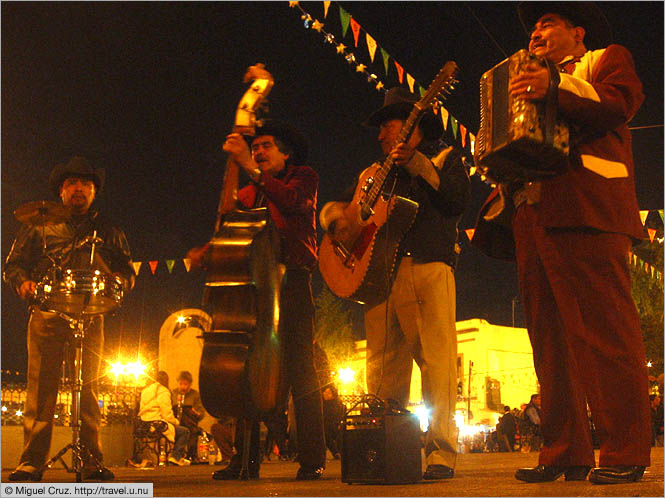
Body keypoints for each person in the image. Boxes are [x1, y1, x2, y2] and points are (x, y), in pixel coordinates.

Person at [472, 2, 651, 484]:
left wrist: (557, 85)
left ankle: (624, 449)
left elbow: (620, 103)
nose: (535, 32)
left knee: (606, 331)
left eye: (547, 24)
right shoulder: (521, 79)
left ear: (578, 33)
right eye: (533, 27)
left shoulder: (605, 59)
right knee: (549, 341)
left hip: (588, 207)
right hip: (531, 216)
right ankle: (564, 451)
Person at [320, 87, 471, 480]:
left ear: (410, 126)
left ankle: (440, 451)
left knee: (435, 362)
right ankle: (385, 449)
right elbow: (344, 214)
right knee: (383, 367)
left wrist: (419, 164)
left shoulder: (445, 157)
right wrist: (334, 221)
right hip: (378, 278)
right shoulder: (372, 174)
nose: (380, 135)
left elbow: (456, 200)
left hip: (426, 267)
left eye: (386, 125)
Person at [191, 119, 326, 481]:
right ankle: (244, 459)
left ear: (286, 152)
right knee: (249, 367)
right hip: (256, 287)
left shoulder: (303, 177)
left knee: (301, 368)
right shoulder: (253, 191)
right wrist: (207, 252)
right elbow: (232, 223)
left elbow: (294, 202)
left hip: (292, 280)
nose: (259, 152)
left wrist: (247, 167)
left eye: (266, 146)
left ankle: (312, 458)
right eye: (255, 147)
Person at [3, 156, 134, 482]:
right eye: (72, 184)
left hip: (91, 314)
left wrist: (118, 282)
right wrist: (23, 283)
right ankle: (31, 463)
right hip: (47, 313)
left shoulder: (109, 231)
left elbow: (127, 272)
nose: (79, 189)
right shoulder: (39, 226)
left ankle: (91, 461)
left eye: (86, 185)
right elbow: (13, 266)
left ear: (94, 192)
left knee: (90, 390)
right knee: (41, 390)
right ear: (60, 192)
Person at [138, 371, 191, 466]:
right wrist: (176, 422)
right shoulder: (163, 391)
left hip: (145, 423)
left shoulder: (146, 390)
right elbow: (166, 413)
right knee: (184, 431)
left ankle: (174, 457)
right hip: (158, 423)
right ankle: (176, 457)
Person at [171, 370, 205, 462]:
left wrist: (195, 412)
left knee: (190, 422)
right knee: (192, 428)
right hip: (176, 421)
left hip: (190, 421)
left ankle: (189, 455)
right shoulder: (173, 393)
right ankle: (190, 455)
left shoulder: (195, 395)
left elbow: (201, 413)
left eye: (185, 384)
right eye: (181, 384)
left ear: (190, 384)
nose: (183, 387)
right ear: (177, 383)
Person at [322, 385, 344, 459]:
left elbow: (338, 414)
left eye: (328, 393)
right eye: (325, 392)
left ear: (333, 395)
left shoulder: (336, 404)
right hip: (326, 424)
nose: (325, 394)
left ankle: (337, 452)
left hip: (333, 424)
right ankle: (336, 452)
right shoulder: (323, 404)